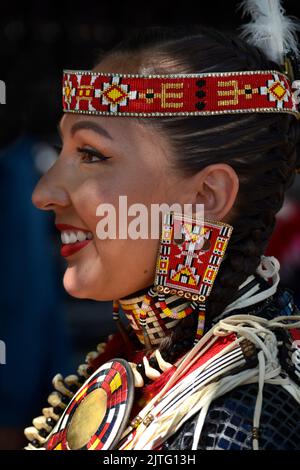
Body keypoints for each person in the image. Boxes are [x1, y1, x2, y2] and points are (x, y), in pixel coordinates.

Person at [25, 3, 300, 451]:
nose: (44, 192)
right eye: (63, 149)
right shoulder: (148, 356)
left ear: (206, 197)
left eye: (91, 155)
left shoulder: (246, 410)